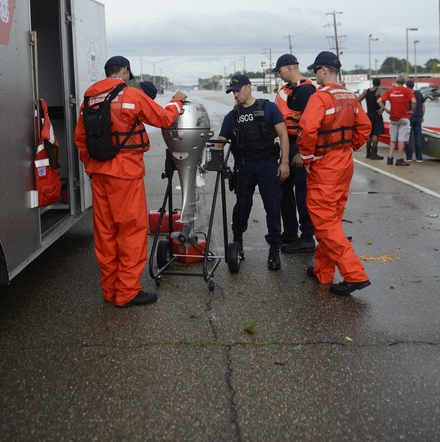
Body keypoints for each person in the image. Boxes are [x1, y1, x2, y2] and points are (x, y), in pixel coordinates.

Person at [74, 55, 187, 308]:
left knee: (105, 234)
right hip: (125, 174)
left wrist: (90, 167)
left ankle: (110, 289)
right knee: (131, 232)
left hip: (99, 174)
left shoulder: (89, 100)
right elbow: (163, 118)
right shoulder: (131, 95)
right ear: (124, 71)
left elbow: (80, 139)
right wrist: (177, 101)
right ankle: (127, 292)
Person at [297, 51, 373, 295]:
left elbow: (308, 128)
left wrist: (307, 157)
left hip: (325, 165)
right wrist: (350, 146)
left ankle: (354, 274)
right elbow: (366, 127)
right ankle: (323, 271)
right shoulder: (350, 96)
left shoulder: (320, 97)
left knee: (325, 223)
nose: (315, 75)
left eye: (315, 71)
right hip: (344, 163)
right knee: (332, 220)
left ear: (323, 70)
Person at [215, 74, 290, 271]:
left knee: (273, 206)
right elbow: (220, 141)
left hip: (268, 164)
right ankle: (237, 241)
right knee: (242, 207)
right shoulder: (232, 116)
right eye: (233, 91)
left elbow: (283, 135)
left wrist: (284, 163)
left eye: (238, 90)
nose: (236, 94)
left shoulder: (268, 108)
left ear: (249, 87)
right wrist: (201, 151)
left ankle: (274, 247)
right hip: (244, 166)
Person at [272, 54, 317, 254]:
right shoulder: (286, 89)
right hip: (286, 143)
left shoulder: (306, 90)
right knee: (284, 191)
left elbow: (311, 124)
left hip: (299, 145)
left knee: (302, 192)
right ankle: (290, 232)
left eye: (280, 71)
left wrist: (304, 153)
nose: (279, 75)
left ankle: (307, 236)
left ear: (289, 68)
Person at [377, 74, 416, 167]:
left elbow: (379, 101)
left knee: (393, 139)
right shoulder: (407, 90)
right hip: (404, 118)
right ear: (404, 82)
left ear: (396, 81)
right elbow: (414, 101)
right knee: (402, 139)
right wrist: (412, 111)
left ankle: (390, 158)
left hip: (393, 118)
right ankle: (399, 159)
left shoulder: (390, 90)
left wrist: (386, 110)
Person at [358, 78, 385, 160]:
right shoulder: (379, 91)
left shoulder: (366, 91)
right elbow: (384, 99)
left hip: (368, 114)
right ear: (379, 84)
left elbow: (358, 100)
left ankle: (368, 153)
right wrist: (382, 110)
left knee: (369, 133)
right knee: (375, 134)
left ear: (372, 83)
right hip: (377, 114)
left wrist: (362, 111)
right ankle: (374, 153)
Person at [404, 79, 425, 162]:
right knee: (418, 137)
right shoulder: (419, 94)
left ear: (406, 86)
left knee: (408, 137)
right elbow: (423, 106)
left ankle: (409, 157)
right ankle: (419, 157)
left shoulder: (406, 94)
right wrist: (422, 115)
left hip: (408, 117)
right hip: (418, 117)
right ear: (413, 86)